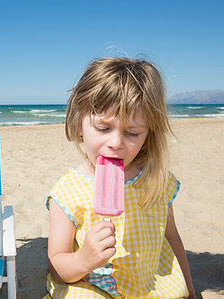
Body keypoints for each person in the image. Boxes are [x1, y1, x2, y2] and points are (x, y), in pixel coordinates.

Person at [45, 57, 197, 298]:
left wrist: (191, 291)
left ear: (149, 134)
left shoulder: (156, 179)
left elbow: (172, 238)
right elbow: (57, 266)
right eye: (103, 128)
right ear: (78, 125)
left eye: (132, 132)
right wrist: (84, 259)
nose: (116, 143)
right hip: (94, 284)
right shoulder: (67, 193)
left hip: (150, 283)